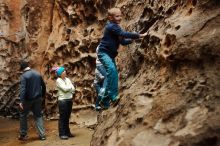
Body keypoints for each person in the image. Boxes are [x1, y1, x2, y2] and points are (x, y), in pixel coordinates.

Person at [97, 7, 147, 109]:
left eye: (120, 15)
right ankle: (112, 96)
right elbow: (123, 34)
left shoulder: (116, 28)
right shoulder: (111, 27)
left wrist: (131, 41)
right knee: (111, 70)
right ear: (110, 18)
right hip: (103, 53)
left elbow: (122, 41)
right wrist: (139, 35)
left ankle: (105, 100)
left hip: (110, 55)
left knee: (114, 74)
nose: (120, 18)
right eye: (117, 16)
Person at [18, 60, 46, 141]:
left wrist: (21, 102)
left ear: (22, 68)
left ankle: (23, 134)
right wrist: (43, 96)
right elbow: (43, 85)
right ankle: (42, 135)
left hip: (27, 100)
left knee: (23, 115)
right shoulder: (37, 73)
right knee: (38, 116)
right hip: (38, 99)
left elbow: (23, 90)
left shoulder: (24, 76)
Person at [56, 66, 75, 140]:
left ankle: (67, 132)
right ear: (60, 74)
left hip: (69, 100)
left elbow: (73, 89)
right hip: (63, 100)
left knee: (67, 117)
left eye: (65, 71)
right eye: (63, 71)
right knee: (62, 117)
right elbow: (65, 89)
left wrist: (69, 88)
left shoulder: (67, 79)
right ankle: (62, 134)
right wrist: (70, 87)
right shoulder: (58, 80)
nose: (65, 72)